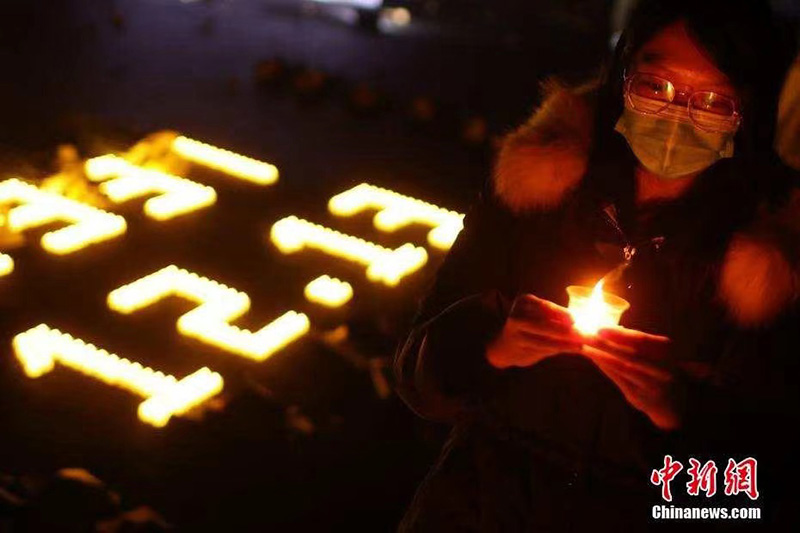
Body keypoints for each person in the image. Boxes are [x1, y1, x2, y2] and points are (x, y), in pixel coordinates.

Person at [394, 1, 800, 530]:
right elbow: (413, 381)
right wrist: (488, 344)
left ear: (750, 113)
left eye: (713, 102)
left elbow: (753, 500)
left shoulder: (773, 266)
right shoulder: (535, 191)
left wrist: (677, 414)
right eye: (656, 87)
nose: (676, 118)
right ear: (622, 75)